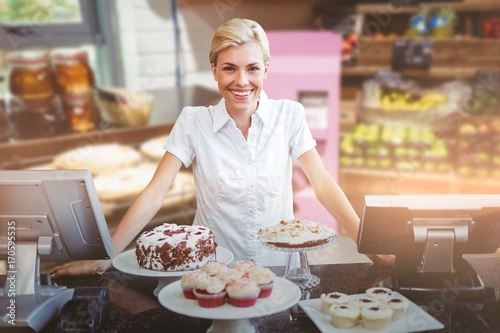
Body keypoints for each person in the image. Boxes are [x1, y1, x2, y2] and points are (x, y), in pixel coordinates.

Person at [51, 18, 392, 278]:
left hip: (280, 269)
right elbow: (155, 194)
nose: (241, 81)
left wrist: (370, 244)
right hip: (214, 270)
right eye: (229, 68)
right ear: (214, 70)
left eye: (252, 68)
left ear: (266, 70)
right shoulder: (193, 121)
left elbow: (323, 185)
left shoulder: (289, 115)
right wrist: (105, 256)